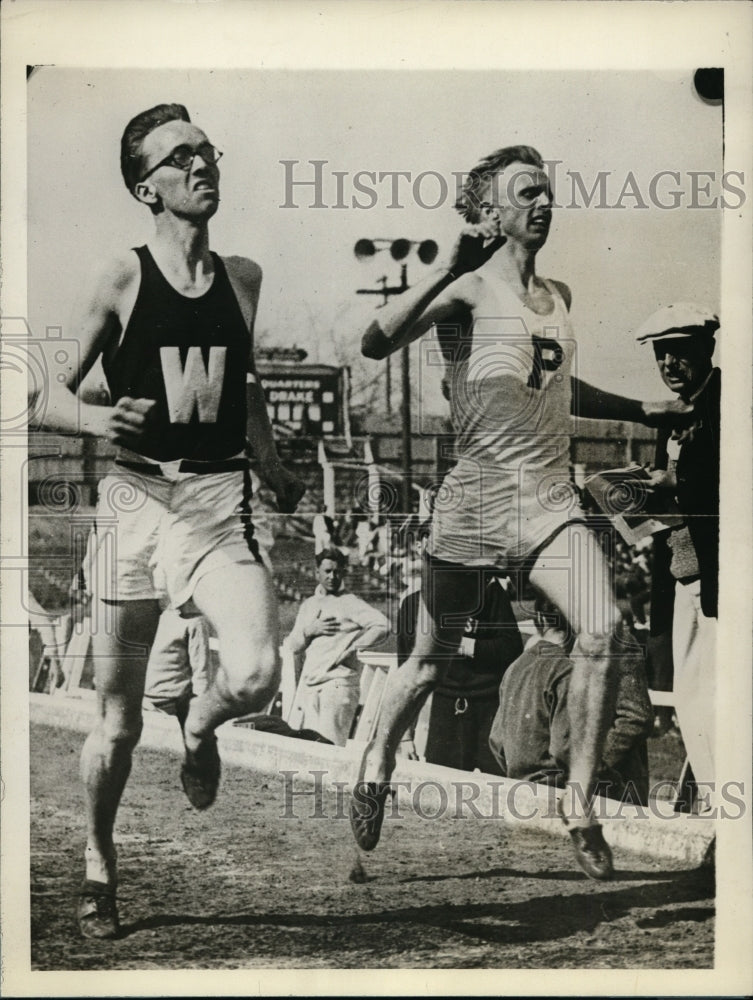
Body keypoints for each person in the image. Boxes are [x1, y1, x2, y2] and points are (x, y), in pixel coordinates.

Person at [349, 145, 693, 879]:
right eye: (525, 192)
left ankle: (578, 805)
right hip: (475, 499)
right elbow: (374, 342)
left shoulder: (559, 294)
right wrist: (445, 265)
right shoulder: (466, 291)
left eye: (547, 191)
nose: (542, 203)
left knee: (600, 630)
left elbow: (563, 392)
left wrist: (644, 409)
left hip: (545, 500)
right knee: (428, 660)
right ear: (488, 211)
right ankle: (375, 762)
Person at [39, 103, 304, 938]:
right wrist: (91, 421)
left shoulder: (244, 277)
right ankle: (98, 864)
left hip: (217, 502)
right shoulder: (120, 274)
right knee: (115, 723)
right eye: (179, 157)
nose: (201, 165)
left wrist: (272, 462)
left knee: (257, 673)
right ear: (144, 187)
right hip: (134, 502)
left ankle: (198, 724)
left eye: (205, 150)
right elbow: (37, 386)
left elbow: (247, 387)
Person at [638, 303, 720, 808]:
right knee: (690, 701)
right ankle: (716, 805)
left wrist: (677, 482)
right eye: (660, 355)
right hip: (681, 576)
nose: (668, 364)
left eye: (678, 352)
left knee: (711, 698)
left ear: (704, 349)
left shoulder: (728, 402)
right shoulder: (673, 416)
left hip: (719, 579)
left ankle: (722, 808)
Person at [489, 597, 653, 805]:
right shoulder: (546, 658)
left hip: (609, 790)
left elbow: (635, 717)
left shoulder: (614, 639)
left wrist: (591, 767)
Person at [396, 519, 523, 773]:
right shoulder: (411, 606)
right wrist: (406, 736)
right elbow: (405, 674)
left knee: (496, 794)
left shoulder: (487, 591)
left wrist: (462, 645)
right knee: (440, 794)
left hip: (488, 708)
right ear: (420, 548)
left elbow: (511, 649)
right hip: (444, 712)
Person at [286, 548, 390, 745]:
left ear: (343, 572)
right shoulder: (308, 605)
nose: (332, 576)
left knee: (330, 748)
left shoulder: (350, 602)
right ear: (317, 572)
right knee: (309, 747)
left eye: (337, 571)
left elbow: (383, 625)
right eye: (327, 571)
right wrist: (309, 631)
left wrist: (353, 648)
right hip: (310, 684)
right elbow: (293, 645)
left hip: (337, 684)